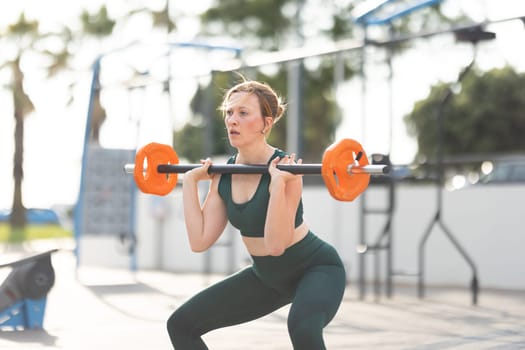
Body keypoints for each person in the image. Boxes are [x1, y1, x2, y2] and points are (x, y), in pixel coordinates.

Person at [167, 79, 346, 349]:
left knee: (302, 327)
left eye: (243, 113)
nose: (232, 120)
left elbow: (275, 246)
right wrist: (190, 183)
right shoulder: (225, 174)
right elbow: (199, 241)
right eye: (229, 112)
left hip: (316, 268)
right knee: (180, 325)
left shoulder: (288, 171)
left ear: (266, 123)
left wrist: (276, 185)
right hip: (267, 277)